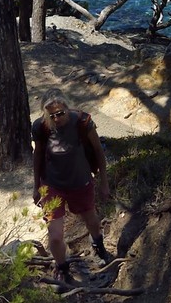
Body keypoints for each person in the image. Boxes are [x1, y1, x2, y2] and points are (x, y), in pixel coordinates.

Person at [32, 92, 114, 283]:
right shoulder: (40, 127)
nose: (57, 119)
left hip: (80, 182)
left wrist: (104, 182)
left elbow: (98, 152)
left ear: (68, 109)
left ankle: (99, 246)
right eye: (51, 116)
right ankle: (62, 269)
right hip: (52, 185)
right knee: (55, 235)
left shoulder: (83, 122)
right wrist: (36, 186)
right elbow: (37, 156)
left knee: (91, 220)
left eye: (60, 113)